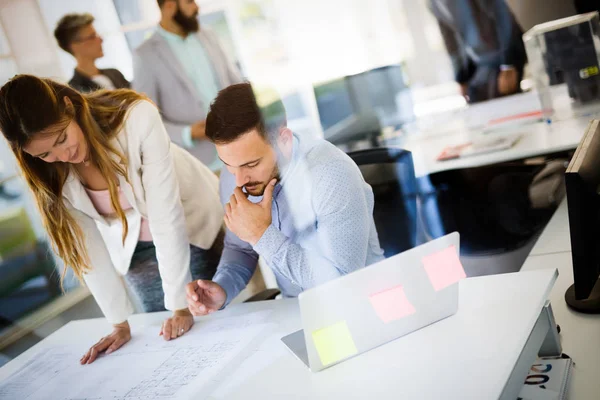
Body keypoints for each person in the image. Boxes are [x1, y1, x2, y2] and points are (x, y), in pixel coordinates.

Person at [0, 75, 224, 364]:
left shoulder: (136, 118)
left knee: (205, 318)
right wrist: (119, 323)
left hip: (190, 222)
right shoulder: (48, 172)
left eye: (62, 138)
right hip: (132, 241)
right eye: (45, 153)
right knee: (162, 333)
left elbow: (165, 214)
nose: (63, 155)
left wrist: (180, 306)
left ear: (69, 107)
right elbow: (86, 246)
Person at [185, 83, 385, 314]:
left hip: (362, 308)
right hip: (295, 313)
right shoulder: (235, 177)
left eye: (252, 164)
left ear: (284, 140)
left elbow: (340, 283)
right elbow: (240, 248)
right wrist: (223, 287)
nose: (239, 180)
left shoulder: (331, 173)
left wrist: (261, 234)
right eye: (228, 165)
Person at [133, 0, 242, 170]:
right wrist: (187, 133)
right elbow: (144, 118)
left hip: (239, 146)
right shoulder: (145, 55)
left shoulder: (209, 35)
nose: (196, 7)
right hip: (200, 164)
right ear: (169, 6)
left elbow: (236, 82)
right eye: (190, 2)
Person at [429, 0, 527, 103]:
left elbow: (502, 16)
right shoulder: (434, 4)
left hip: (505, 53)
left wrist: (508, 64)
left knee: (502, 98)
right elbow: (450, 42)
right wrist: (461, 77)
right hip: (481, 62)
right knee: (475, 98)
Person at [54, 13, 130, 92]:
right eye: (92, 37)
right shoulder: (74, 91)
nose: (101, 39)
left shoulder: (115, 73)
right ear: (74, 46)